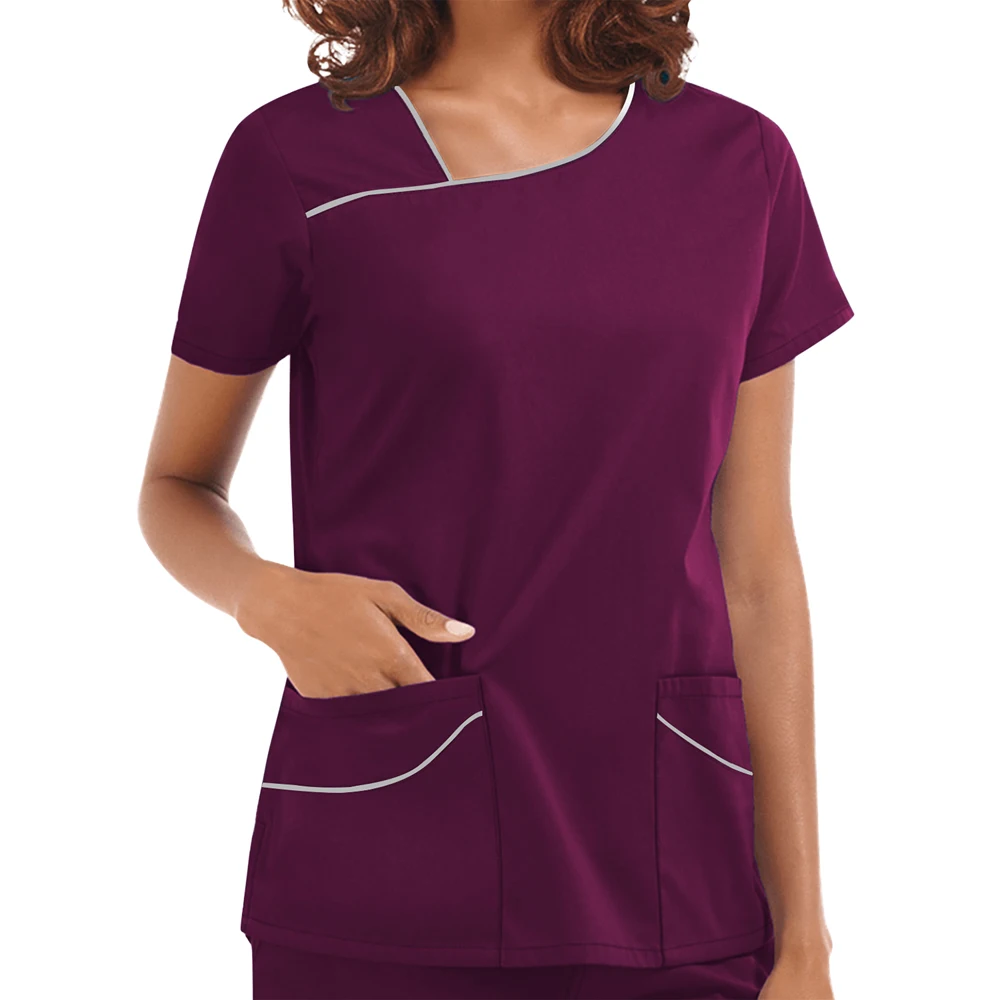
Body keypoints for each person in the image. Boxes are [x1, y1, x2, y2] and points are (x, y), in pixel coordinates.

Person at [138, 1, 855, 997]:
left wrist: (806, 936)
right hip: (385, 849)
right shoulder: (295, 158)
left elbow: (760, 568)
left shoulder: (739, 163)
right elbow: (175, 486)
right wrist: (266, 597)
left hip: (671, 866)